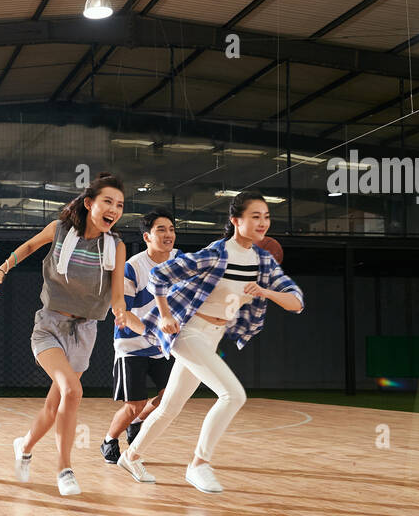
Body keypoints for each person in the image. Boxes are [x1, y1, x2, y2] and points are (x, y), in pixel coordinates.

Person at [117, 192, 304, 493]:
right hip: (189, 330)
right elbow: (158, 276)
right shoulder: (217, 253)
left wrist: (267, 292)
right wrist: (165, 315)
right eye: (254, 216)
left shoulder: (263, 262)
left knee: (169, 407)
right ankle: (199, 464)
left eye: (266, 216)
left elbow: (296, 302)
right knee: (233, 395)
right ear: (235, 220)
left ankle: (131, 455)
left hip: (213, 335)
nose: (262, 222)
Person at [0, 172, 138, 496]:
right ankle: (64, 469)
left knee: (53, 407)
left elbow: (116, 296)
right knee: (72, 390)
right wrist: (2, 269)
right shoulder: (60, 232)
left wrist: (122, 311)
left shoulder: (116, 246)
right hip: (49, 326)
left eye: (120, 205)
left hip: (85, 332)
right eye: (107, 201)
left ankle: (24, 446)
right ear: (89, 203)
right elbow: (29, 246)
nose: (114, 209)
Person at [101, 210, 177, 466]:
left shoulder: (180, 262)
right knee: (135, 403)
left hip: (161, 345)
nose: (168, 234)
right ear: (147, 236)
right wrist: (150, 330)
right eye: (161, 230)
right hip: (131, 344)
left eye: (171, 229)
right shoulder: (133, 267)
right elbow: (122, 312)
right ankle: (109, 440)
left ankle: (137, 422)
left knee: (170, 396)